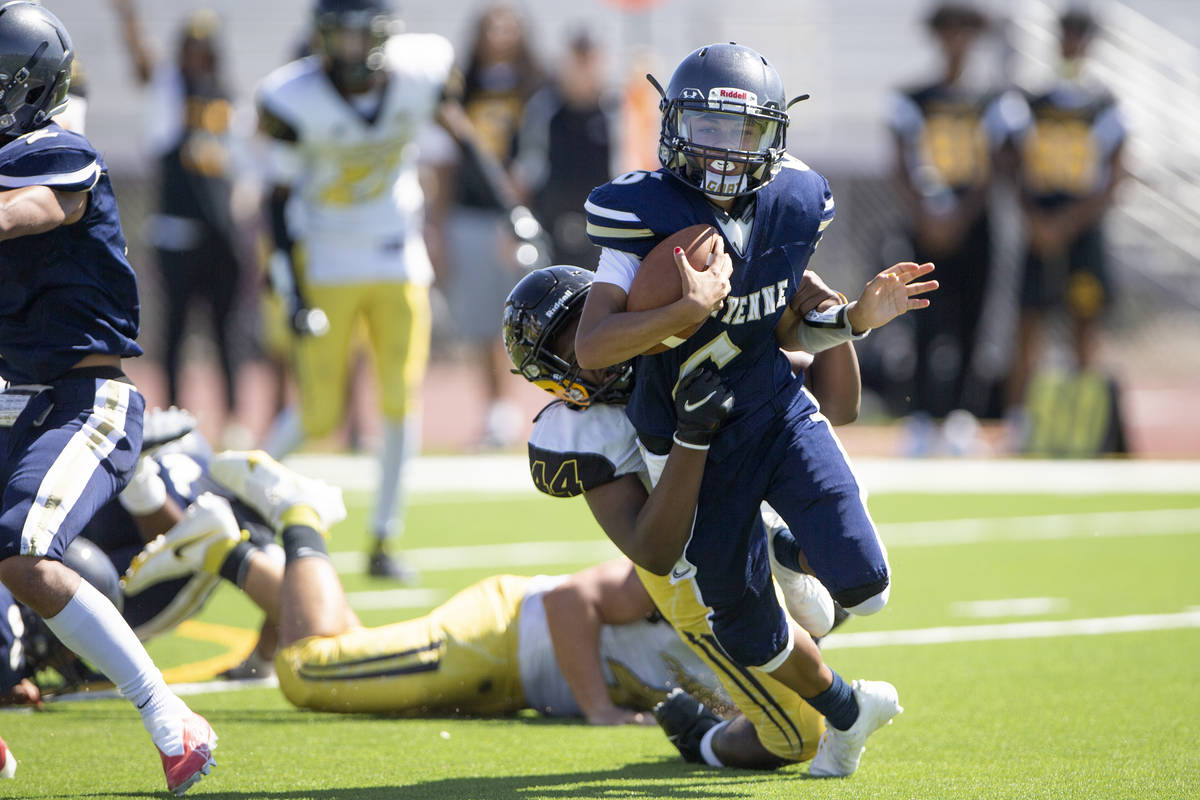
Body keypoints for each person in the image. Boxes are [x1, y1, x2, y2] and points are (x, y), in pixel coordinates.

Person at [572, 44, 937, 776]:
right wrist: (684, 307)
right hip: (685, 435)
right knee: (746, 631)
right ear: (676, 128)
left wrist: (856, 320)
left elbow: (788, 325)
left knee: (866, 589)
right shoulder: (642, 213)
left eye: (744, 134)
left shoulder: (794, 202)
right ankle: (842, 714)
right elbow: (593, 347)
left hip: (771, 406)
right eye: (708, 129)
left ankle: (782, 546)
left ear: (772, 136)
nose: (726, 151)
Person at [504, 265, 907, 772]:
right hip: (686, 576)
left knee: (842, 533)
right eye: (570, 350)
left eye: (590, 327)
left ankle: (782, 553)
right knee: (797, 737)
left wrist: (831, 318)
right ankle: (708, 740)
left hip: (744, 512)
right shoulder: (580, 434)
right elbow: (653, 548)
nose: (592, 353)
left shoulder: (672, 344)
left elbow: (840, 407)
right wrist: (690, 438)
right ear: (552, 376)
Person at [0, 3, 215, 795]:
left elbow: (26, 210)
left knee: (25, 555)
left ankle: (172, 718)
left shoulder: (57, 151)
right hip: (14, 400)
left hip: (85, 399)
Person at [126, 449, 735, 724]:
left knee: (349, 647)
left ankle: (225, 551)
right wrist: (599, 711)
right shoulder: (708, 578)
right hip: (499, 639)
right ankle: (299, 514)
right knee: (308, 671)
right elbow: (573, 603)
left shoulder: (760, 645)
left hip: (509, 673)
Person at [255, 0, 454, 580]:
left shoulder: (424, 69)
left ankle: (385, 538)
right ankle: (234, 491)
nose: (347, 47)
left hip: (398, 254)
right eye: (337, 34)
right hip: (329, 259)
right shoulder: (293, 97)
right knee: (319, 413)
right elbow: (276, 199)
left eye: (357, 33)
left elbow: (460, 131)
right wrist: (290, 287)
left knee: (401, 398)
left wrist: (510, 209)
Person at [110, 0, 248, 437]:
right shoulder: (170, 93)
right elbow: (146, 66)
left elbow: (240, 170)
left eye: (204, 47)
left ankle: (234, 420)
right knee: (175, 333)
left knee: (228, 333)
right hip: (177, 234)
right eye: (191, 46)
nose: (198, 55)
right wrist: (129, 18)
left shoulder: (224, 97)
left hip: (220, 235)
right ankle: (173, 417)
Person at [887, 2, 1015, 451]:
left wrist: (961, 216)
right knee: (923, 315)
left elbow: (999, 163)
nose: (957, 41)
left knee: (972, 319)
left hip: (974, 223)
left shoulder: (995, 100)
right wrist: (925, 214)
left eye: (966, 31)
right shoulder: (913, 96)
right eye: (949, 31)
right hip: (926, 222)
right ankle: (920, 415)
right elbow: (901, 161)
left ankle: (961, 414)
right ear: (938, 37)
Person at [1004, 7, 1127, 452]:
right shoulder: (1034, 101)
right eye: (1067, 35)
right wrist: (1037, 220)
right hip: (1042, 218)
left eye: (1080, 36)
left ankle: (1083, 423)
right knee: (1029, 322)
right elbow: (1011, 162)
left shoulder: (1104, 104)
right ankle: (1019, 424)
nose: (1073, 44)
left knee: (1084, 325)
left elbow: (1115, 174)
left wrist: (1066, 224)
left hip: (1081, 227)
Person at [441, 3, 545, 448]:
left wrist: (519, 213)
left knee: (534, 315)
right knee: (483, 317)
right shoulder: (461, 88)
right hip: (471, 213)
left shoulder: (537, 86)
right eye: (491, 27)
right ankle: (496, 410)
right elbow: (444, 159)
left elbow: (539, 159)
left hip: (520, 216)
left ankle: (545, 405)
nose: (500, 36)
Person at [514, 31, 615, 269]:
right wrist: (516, 224)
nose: (582, 70)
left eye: (588, 61)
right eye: (577, 61)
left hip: (606, 235)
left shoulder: (615, 112)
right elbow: (523, 174)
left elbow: (632, 168)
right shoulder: (544, 108)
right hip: (547, 230)